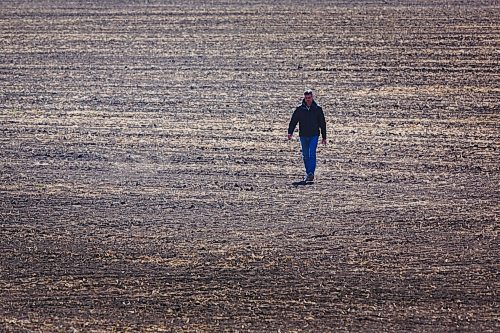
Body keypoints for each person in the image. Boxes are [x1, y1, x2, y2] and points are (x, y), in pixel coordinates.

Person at [287, 89, 327, 182]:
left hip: (314, 135)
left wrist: (324, 137)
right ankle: (308, 173)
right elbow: (293, 121)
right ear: (304, 98)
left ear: (312, 97)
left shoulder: (317, 109)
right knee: (305, 155)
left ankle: (311, 173)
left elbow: (322, 123)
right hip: (303, 136)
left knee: (312, 154)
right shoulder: (300, 109)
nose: (308, 100)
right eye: (306, 98)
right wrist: (290, 132)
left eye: (309, 98)